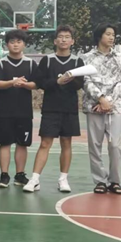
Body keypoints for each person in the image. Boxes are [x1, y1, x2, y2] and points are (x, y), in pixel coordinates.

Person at [24, 25, 84, 193]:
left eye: (67, 37)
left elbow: (80, 84)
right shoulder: (47, 60)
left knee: (66, 142)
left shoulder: (77, 62)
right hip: (51, 108)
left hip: (69, 108)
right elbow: (40, 82)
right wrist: (56, 82)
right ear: (55, 41)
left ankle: (63, 179)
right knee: (45, 143)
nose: (63, 39)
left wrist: (70, 79)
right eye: (61, 37)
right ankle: (35, 179)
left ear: (72, 41)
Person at [82, 23, 121, 195]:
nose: (111, 37)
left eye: (113, 35)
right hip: (94, 106)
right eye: (108, 34)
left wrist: (108, 101)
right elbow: (86, 80)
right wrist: (100, 99)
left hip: (114, 107)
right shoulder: (87, 58)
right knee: (95, 145)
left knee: (115, 145)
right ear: (99, 36)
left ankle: (114, 181)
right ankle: (100, 181)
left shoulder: (120, 58)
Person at [0, 29, 37, 188]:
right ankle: (4, 175)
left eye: (19, 42)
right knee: (5, 143)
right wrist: (12, 82)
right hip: (4, 111)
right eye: (12, 42)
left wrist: (24, 84)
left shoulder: (31, 63)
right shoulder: (1, 63)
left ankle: (20, 175)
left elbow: (36, 84)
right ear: (7, 45)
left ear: (24, 44)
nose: (16, 45)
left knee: (22, 144)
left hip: (24, 111)